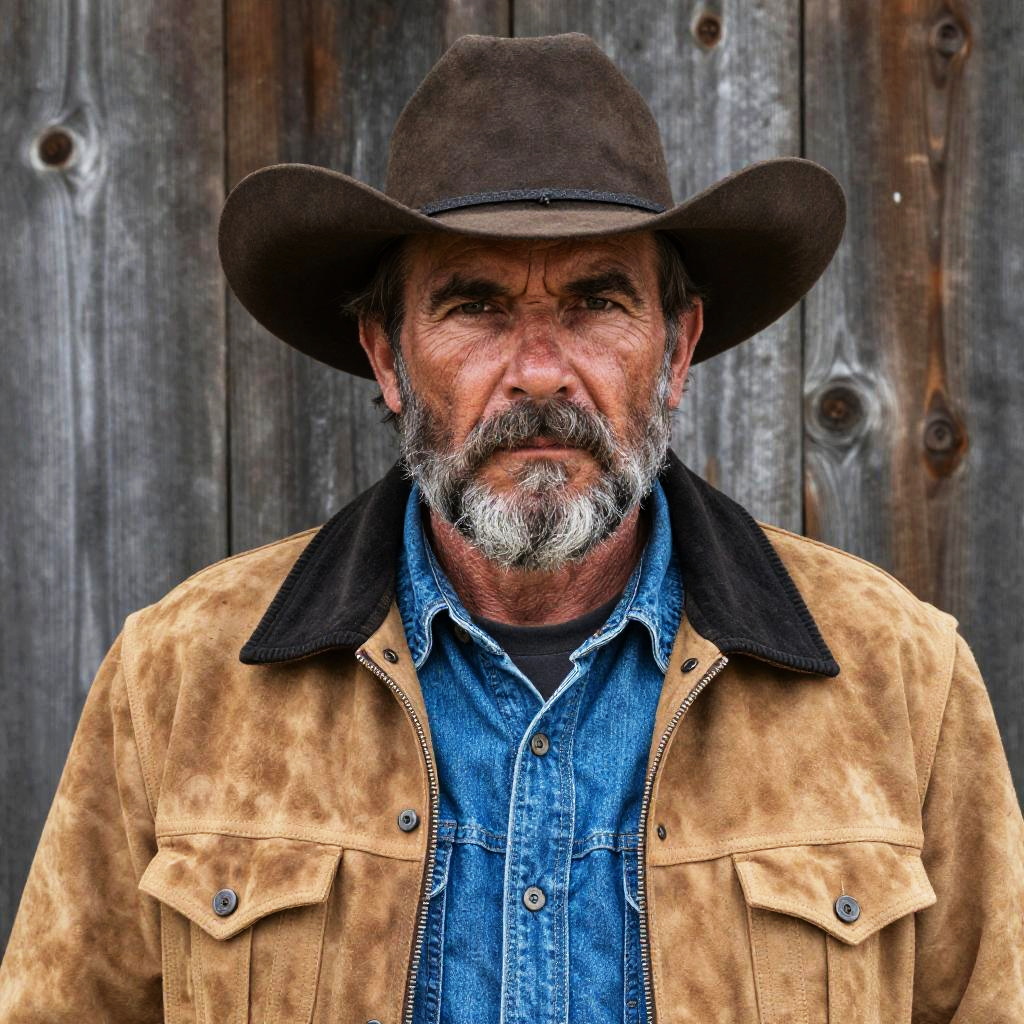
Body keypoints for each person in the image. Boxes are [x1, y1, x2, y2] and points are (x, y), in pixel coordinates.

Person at [1, 31, 1021, 1024]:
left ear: (675, 348)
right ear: (387, 357)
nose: (538, 371)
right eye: (477, 306)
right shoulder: (178, 680)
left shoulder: (901, 680)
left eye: (595, 302)